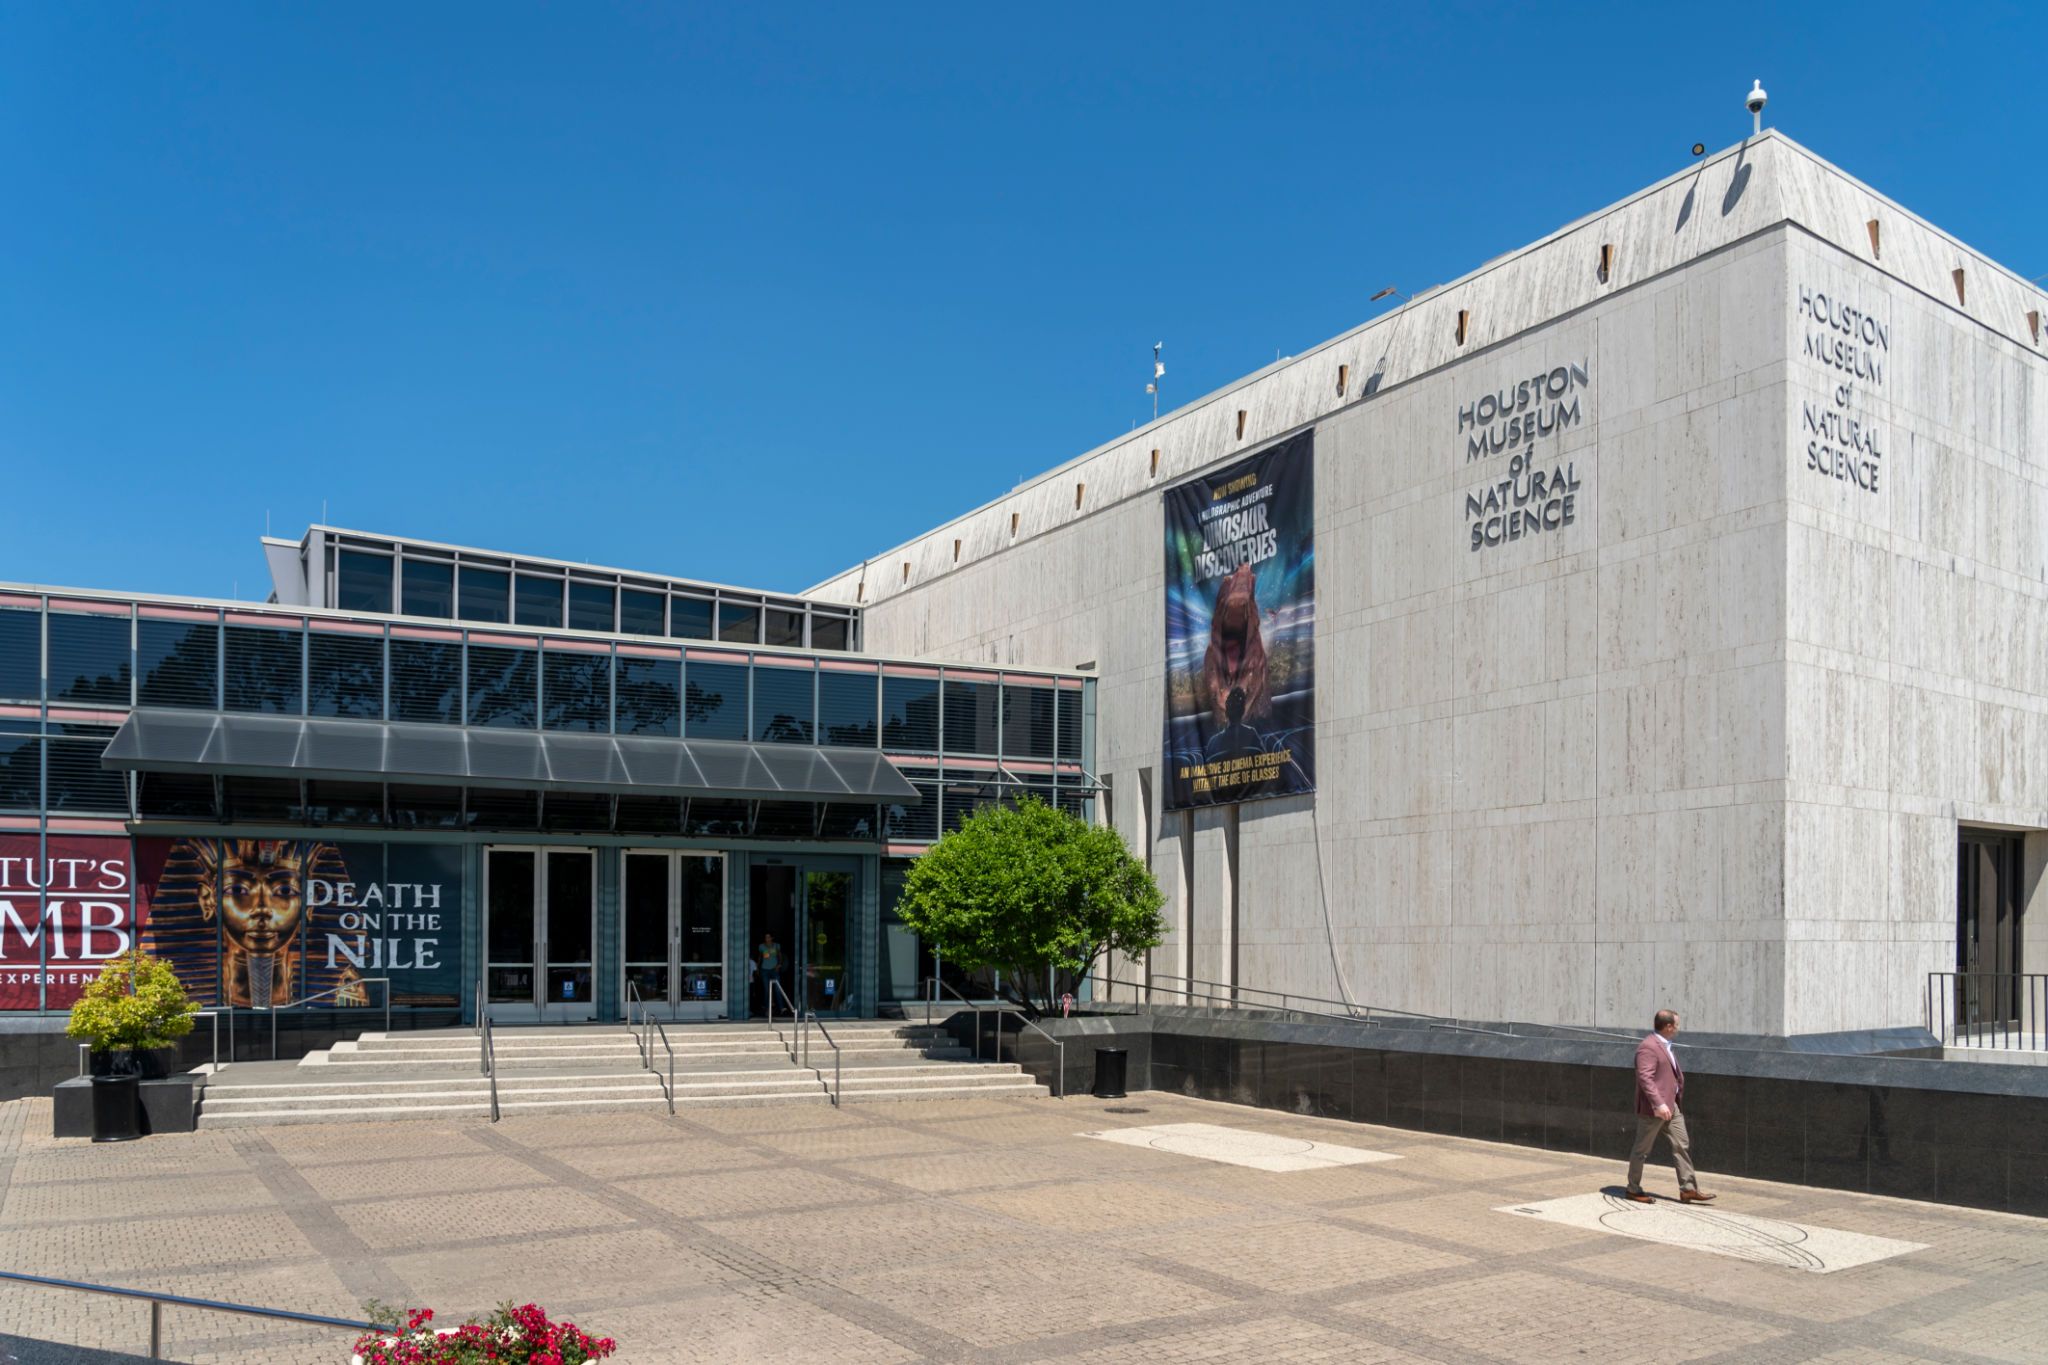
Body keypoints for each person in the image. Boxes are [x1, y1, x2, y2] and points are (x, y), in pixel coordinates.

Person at [1625, 1008, 1715, 1203]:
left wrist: (1671, 1103)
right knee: (1642, 1150)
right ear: (1668, 1026)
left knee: (1681, 1144)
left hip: (1671, 1107)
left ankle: (1688, 1189)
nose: (1678, 1028)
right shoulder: (1648, 1047)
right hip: (1654, 1109)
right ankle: (1633, 1188)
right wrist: (1658, 1103)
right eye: (1676, 1024)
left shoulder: (1666, 1045)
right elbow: (1645, 1078)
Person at [757, 933, 786, 1010]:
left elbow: (780, 956)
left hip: (774, 970)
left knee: (777, 989)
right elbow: (760, 958)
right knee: (767, 990)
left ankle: (781, 1007)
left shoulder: (776, 945)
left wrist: (779, 965)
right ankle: (767, 1007)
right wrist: (757, 968)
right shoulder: (761, 946)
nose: (767, 939)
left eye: (768, 937)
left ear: (772, 938)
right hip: (764, 970)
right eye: (765, 937)